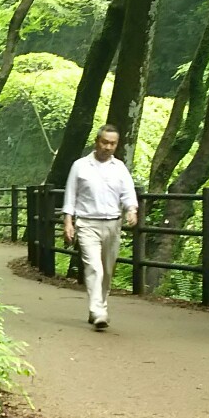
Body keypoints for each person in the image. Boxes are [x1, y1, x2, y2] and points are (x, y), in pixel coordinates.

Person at [62, 126, 138, 331]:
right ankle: (97, 311)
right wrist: (68, 222)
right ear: (97, 141)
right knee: (93, 267)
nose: (108, 147)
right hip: (87, 223)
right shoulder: (80, 166)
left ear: (116, 144)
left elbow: (128, 193)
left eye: (112, 143)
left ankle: (99, 307)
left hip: (113, 224)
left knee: (107, 270)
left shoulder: (119, 168)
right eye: (104, 142)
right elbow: (70, 196)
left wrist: (131, 210)